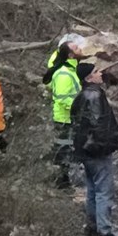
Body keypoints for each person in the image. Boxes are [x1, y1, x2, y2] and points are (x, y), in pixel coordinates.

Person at [70, 63, 118, 236]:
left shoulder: (80, 96)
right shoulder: (95, 96)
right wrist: (106, 145)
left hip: (84, 150)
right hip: (96, 151)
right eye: (96, 72)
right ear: (88, 78)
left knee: (92, 189)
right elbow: (99, 125)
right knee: (103, 190)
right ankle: (105, 230)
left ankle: (92, 225)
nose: (100, 73)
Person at [45, 40, 83, 187]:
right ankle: (61, 182)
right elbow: (62, 98)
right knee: (63, 151)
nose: (80, 48)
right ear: (70, 54)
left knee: (67, 149)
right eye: (76, 47)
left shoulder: (71, 70)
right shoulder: (63, 73)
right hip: (64, 119)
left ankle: (65, 180)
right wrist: (79, 107)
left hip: (69, 118)